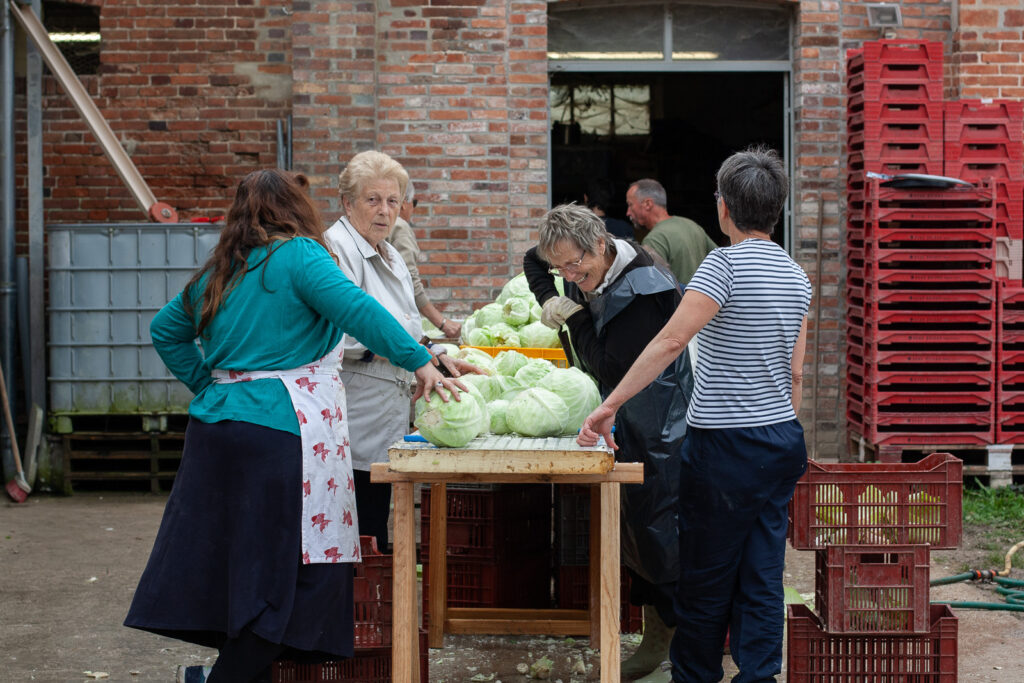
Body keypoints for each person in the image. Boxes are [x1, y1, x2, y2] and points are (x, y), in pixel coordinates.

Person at [124, 169, 462, 683]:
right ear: (299, 209)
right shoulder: (301, 254)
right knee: (286, 574)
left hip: (216, 432)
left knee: (235, 563)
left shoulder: (224, 267)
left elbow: (166, 330)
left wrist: (213, 387)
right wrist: (420, 361)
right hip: (280, 433)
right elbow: (357, 309)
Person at [580, 146, 811, 683]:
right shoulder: (795, 274)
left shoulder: (723, 265)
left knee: (706, 573)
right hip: (779, 439)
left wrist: (610, 404)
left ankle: (695, 676)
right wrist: (777, 423)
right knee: (762, 571)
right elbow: (796, 374)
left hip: (724, 446)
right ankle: (758, 675)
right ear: (776, 209)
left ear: (724, 207)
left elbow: (670, 340)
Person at [522, 203, 693, 680]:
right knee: (637, 529)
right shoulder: (586, 258)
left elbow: (607, 366)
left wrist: (572, 314)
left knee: (658, 531)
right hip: (622, 416)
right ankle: (657, 636)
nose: (571, 275)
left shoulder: (642, 290)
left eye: (577, 265)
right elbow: (533, 261)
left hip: (656, 422)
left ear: (601, 244)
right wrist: (547, 293)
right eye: (562, 267)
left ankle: (682, 642)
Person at [323, 150, 475, 554]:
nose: (384, 211)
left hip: (386, 403)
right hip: (355, 404)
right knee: (357, 520)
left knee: (376, 516)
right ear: (347, 203)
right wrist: (413, 357)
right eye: (372, 200)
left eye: (393, 201)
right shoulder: (336, 251)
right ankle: (354, 609)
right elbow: (342, 335)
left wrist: (436, 354)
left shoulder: (390, 253)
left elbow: (405, 327)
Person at [388, 179, 462, 339]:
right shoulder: (399, 226)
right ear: (403, 203)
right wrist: (442, 323)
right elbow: (409, 280)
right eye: (414, 202)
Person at [625, 178, 717, 285]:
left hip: (681, 301)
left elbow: (655, 286)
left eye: (630, 205)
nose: (628, 212)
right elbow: (720, 260)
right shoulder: (691, 225)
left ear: (647, 204)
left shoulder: (654, 239)